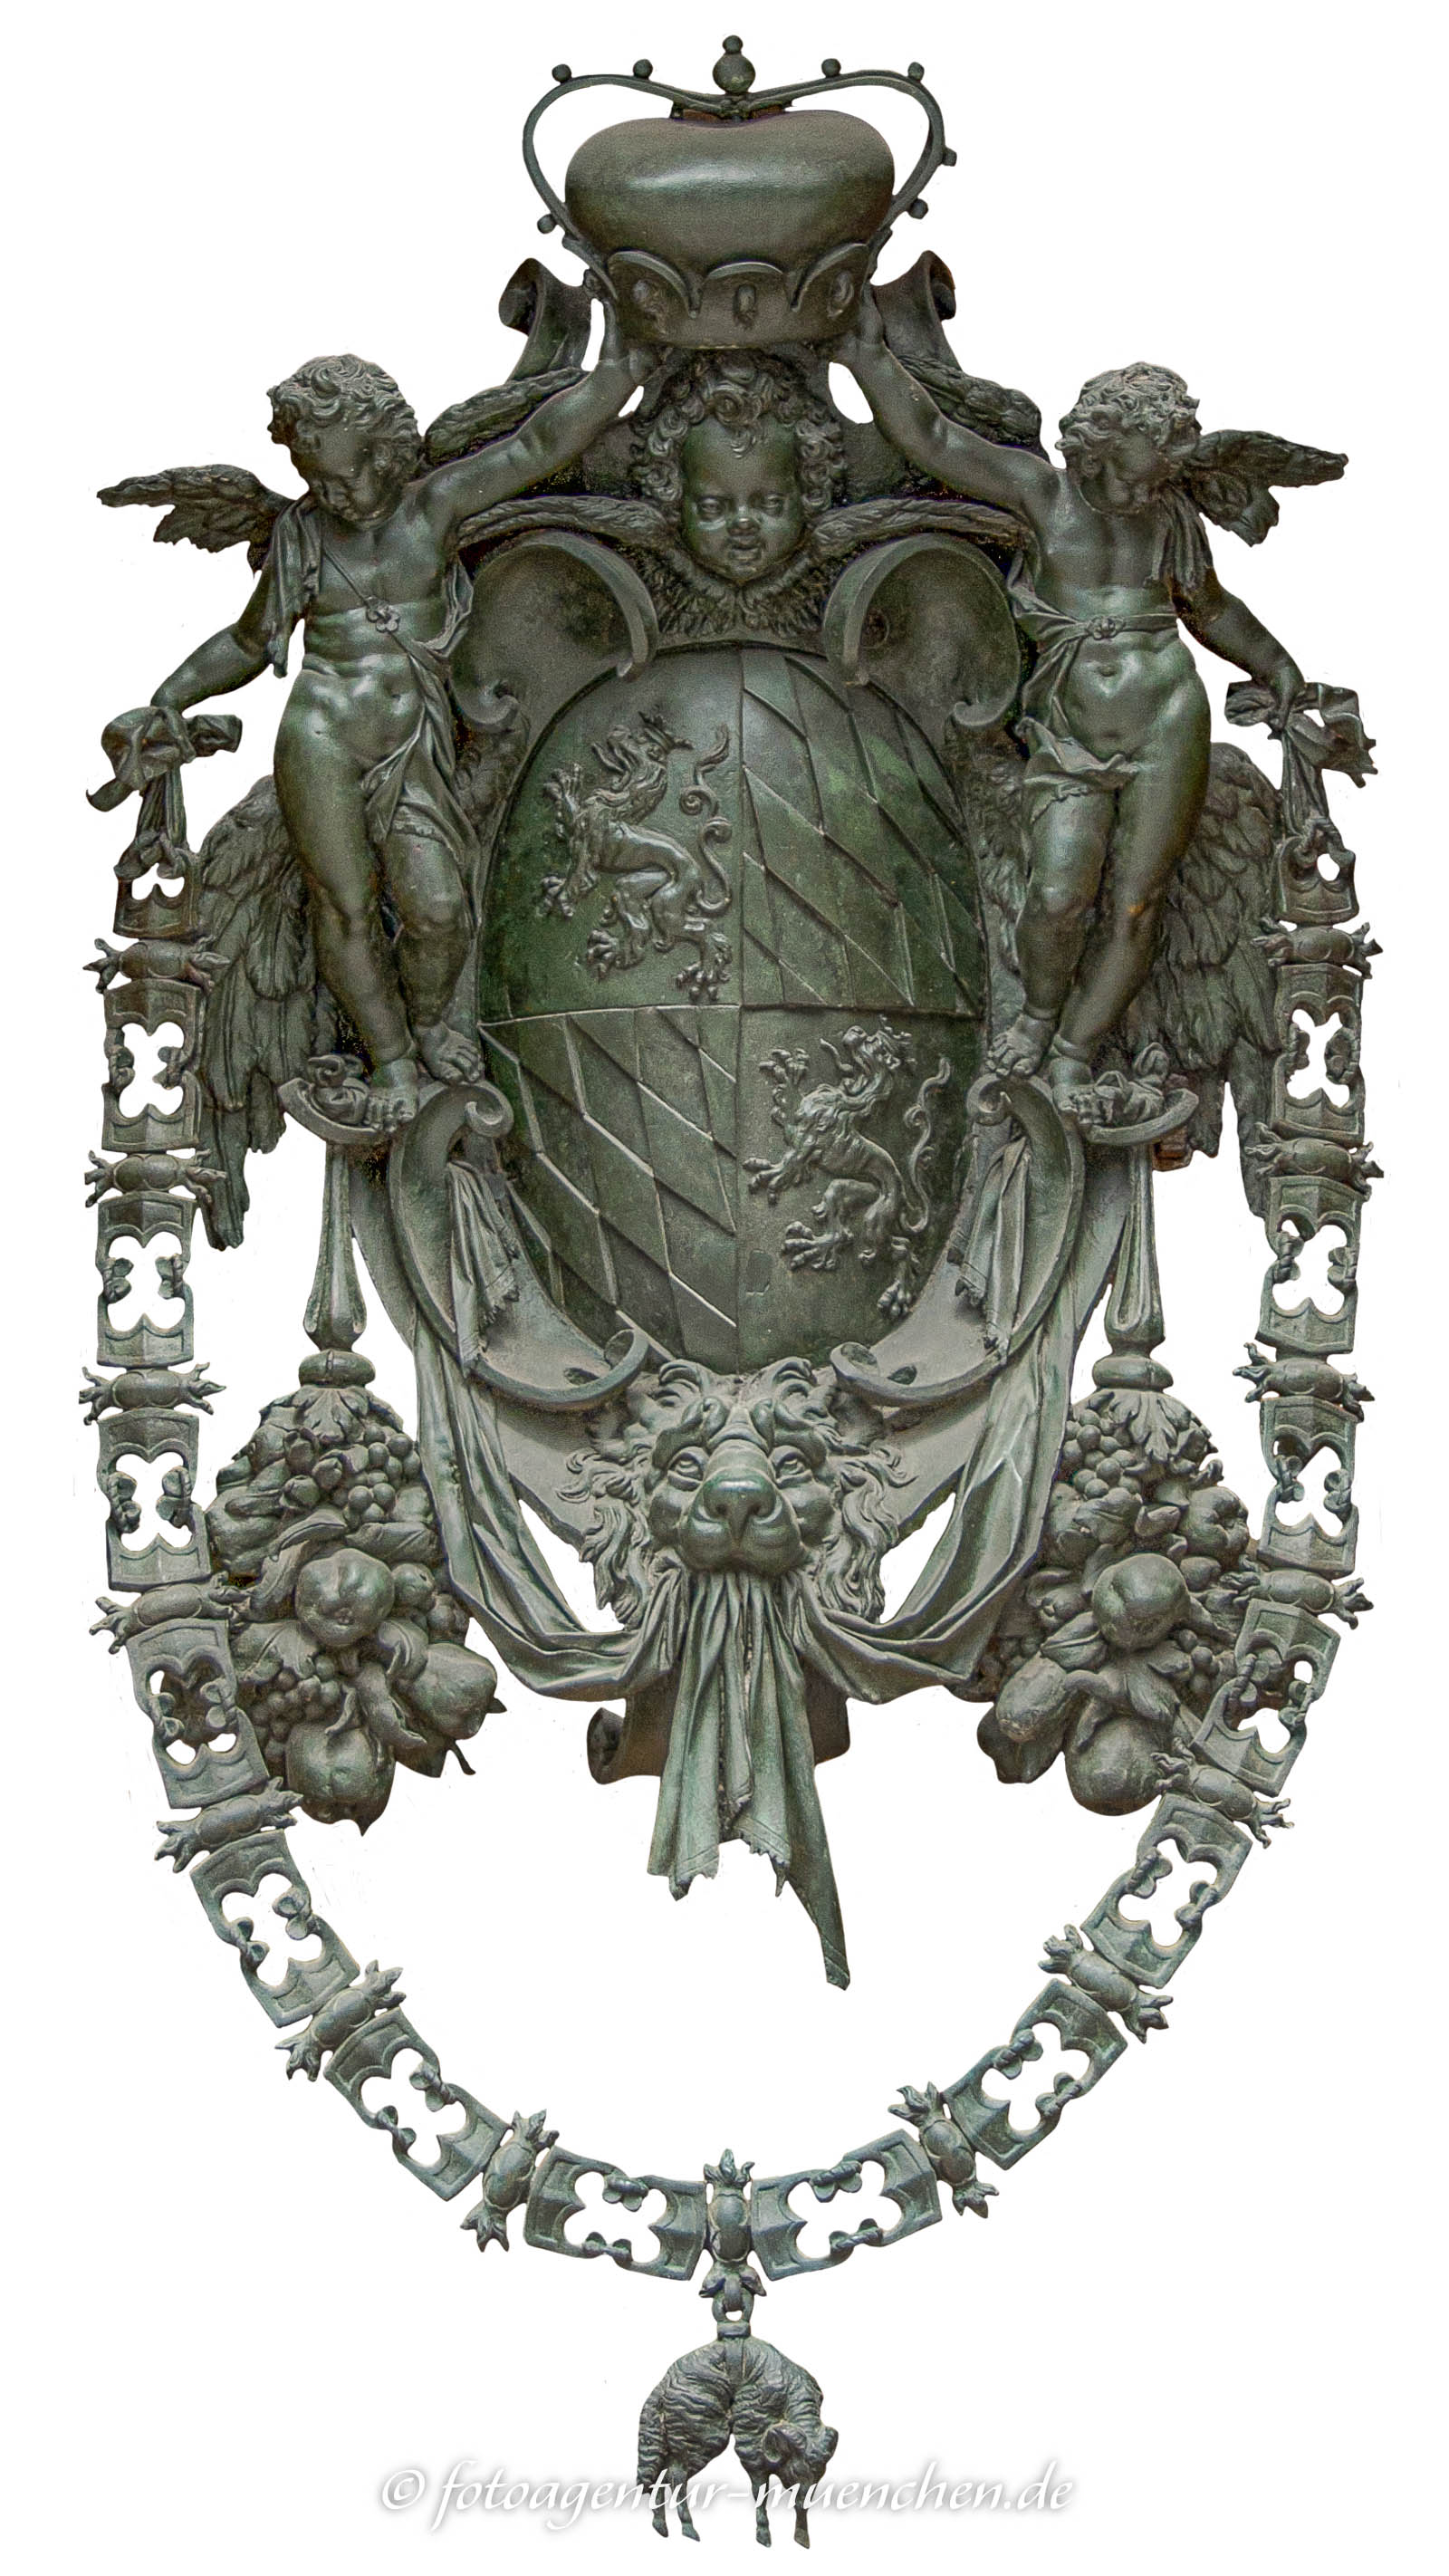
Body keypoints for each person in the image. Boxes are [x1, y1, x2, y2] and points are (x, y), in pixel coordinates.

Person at [111, 316, 647, 1119]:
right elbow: (252, 641)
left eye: (355, 473)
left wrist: (618, 373)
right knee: (346, 908)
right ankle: (393, 1059)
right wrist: (170, 696)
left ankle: (428, 1019)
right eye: (322, 481)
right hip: (321, 738)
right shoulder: (303, 535)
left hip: (413, 747)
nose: (342, 494)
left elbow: (535, 448)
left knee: (439, 911)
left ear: (390, 450)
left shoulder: (433, 509)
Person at [841, 301, 1308, 1089]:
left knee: (1137, 903)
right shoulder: (1043, 496)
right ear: (1093, 451)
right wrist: (865, 357)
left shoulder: (1167, 514)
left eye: (1154, 478)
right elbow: (934, 440)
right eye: (1127, 474)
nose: (1140, 491)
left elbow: (1209, 608)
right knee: (1058, 897)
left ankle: (1074, 1052)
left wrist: (1280, 668)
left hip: (1168, 718)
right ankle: (1036, 1013)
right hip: (1069, 732)